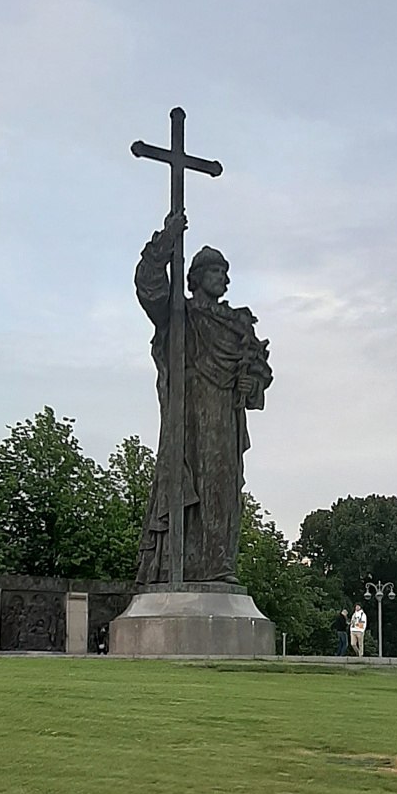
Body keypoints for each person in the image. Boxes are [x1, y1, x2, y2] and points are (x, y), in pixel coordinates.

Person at [132, 210, 273, 587]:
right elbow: (150, 288)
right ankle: (188, 567)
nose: (222, 278)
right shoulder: (182, 314)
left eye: (225, 273)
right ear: (195, 277)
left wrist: (252, 386)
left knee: (225, 488)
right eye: (215, 272)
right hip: (190, 415)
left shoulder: (237, 324)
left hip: (224, 417)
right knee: (191, 485)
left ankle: (218, 565)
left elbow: (259, 371)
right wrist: (165, 242)